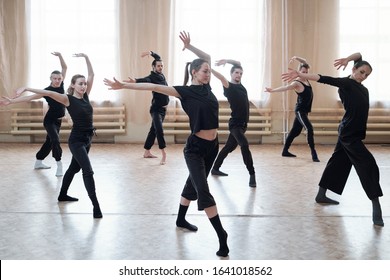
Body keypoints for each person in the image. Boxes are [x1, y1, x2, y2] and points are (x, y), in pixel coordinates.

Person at [104, 31, 229, 257]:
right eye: (205, 71)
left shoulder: (208, 88)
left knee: (193, 184)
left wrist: (190, 47)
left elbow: (207, 56)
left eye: (208, 71)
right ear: (194, 73)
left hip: (213, 147)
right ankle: (222, 236)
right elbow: (154, 87)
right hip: (194, 149)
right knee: (202, 190)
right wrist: (123, 85)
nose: (208, 74)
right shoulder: (185, 92)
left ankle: (181, 219)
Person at [281, 52, 384, 227]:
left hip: (353, 133)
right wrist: (301, 75)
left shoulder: (362, 88)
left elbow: (359, 54)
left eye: (367, 75)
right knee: (368, 164)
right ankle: (376, 204)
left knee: (337, 162)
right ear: (354, 70)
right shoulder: (347, 84)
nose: (363, 76)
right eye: (361, 72)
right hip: (348, 134)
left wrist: (348, 59)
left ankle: (321, 195)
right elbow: (323, 78)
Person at [1, 53, 102, 219]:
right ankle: (96, 206)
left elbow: (92, 75)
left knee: (74, 168)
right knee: (87, 171)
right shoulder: (66, 98)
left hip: (88, 138)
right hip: (76, 140)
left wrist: (86, 57)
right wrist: (25, 89)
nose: (84, 86)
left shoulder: (86, 96)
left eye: (84, 84)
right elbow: (43, 93)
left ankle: (62, 194)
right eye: (80, 84)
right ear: (73, 85)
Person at [210, 59, 257, 187]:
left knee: (229, 147)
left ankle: (215, 168)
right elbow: (221, 77)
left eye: (240, 73)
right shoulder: (229, 87)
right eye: (236, 73)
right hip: (235, 125)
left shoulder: (241, 87)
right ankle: (252, 174)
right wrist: (211, 68)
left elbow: (238, 62)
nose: (239, 75)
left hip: (243, 125)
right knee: (244, 144)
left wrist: (226, 60)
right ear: (231, 74)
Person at [265, 56, 319, 162]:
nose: (304, 73)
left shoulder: (306, 79)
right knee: (309, 128)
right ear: (299, 71)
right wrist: (273, 90)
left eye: (306, 72)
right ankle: (314, 153)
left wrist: (296, 58)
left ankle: (285, 151)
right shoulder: (297, 83)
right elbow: (285, 88)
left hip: (305, 111)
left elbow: (305, 61)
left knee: (295, 132)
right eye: (302, 71)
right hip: (300, 111)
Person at [124, 51, 169, 164]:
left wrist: (150, 53)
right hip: (156, 109)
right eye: (158, 66)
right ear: (153, 67)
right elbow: (145, 80)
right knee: (159, 129)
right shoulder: (152, 77)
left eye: (162, 66)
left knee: (153, 130)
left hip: (163, 109)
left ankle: (146, 152)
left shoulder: (161, 74)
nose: (160, 67)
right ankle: (163, 153)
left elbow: (158, 57)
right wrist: (135, 81)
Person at [34, 52, 68, 176]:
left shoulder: (61, 86)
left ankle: (38, 161)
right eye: (55, 78)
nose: (57, 80)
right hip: (49, 120)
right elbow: (31, 97)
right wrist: (11, 101)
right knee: (55, 139)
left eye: (59, 78)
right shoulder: (47, 91)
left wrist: (60, 55)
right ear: (51, 79)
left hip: (58, 121)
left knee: (49, 142)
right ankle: (59, 164)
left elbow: (64, 68)